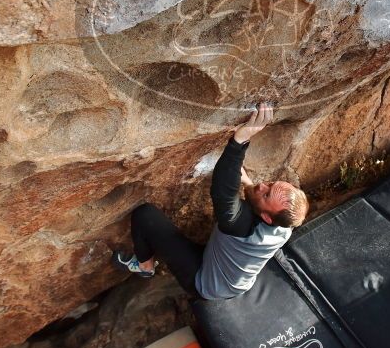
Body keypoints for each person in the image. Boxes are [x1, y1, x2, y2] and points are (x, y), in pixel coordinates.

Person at [113, 102, 309, 299]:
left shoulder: (241, 227)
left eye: (266, 195)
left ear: (267, 218)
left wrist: (240, 140)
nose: (263, 186)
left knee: (145, 215)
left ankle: (145, 266)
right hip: (231, 275)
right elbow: (252, 198)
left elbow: (223, 193)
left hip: (205, 283)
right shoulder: (286, 223)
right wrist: (249, 183)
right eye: (271, 183)